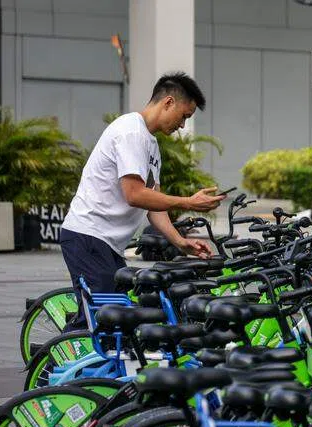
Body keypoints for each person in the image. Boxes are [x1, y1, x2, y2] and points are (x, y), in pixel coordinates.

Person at [59, 72, 225, 296]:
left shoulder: (151, 144)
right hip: (88, 235)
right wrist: (188, 202)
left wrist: (180, 242)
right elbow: (135, 195)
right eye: (184, 116)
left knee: (122, 308)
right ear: (168, 102)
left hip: (107, 243)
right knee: (106, 311)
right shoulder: (131, 132)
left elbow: (153, 206)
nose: (183, 125)